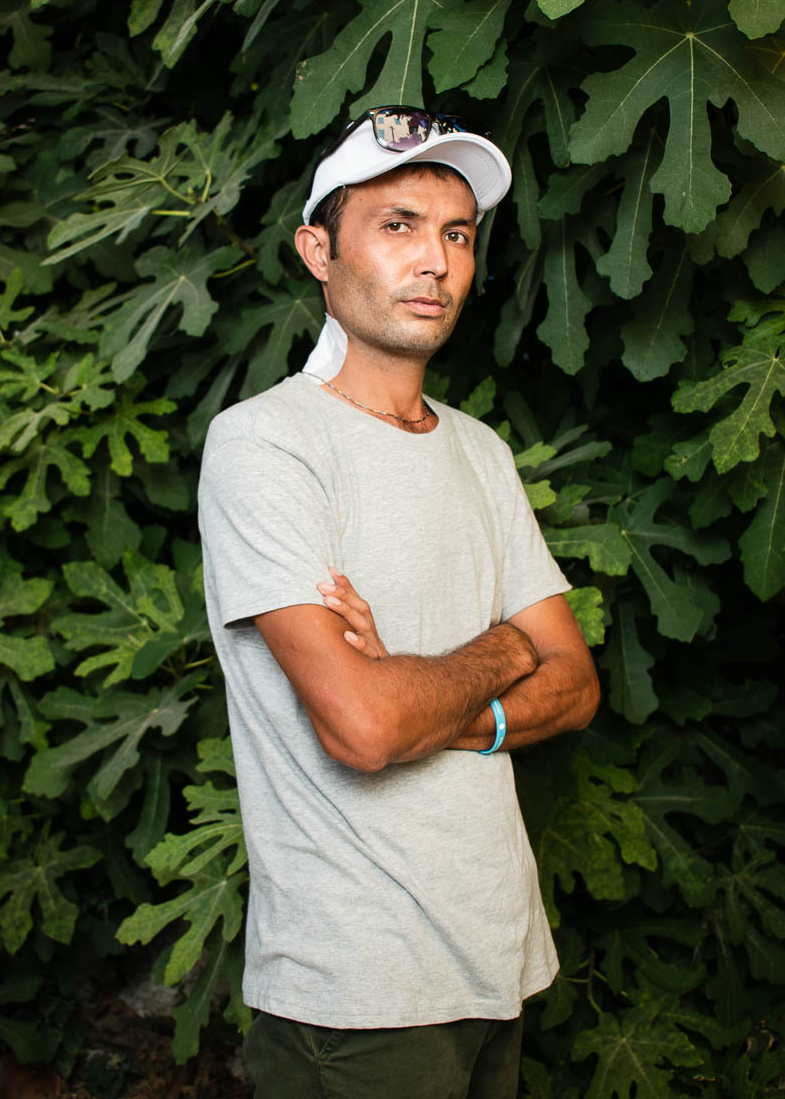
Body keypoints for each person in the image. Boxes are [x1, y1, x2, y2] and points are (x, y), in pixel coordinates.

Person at [198, 105, 600, 1098]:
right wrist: (507, 648)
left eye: (454, 234)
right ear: (316, 251)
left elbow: (578, 684)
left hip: (497, 958)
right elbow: (367, 728)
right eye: (397, 225)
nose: (434, 260)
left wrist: (444, 703)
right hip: (357, 992)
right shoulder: (266, 446)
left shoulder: (479, 451)